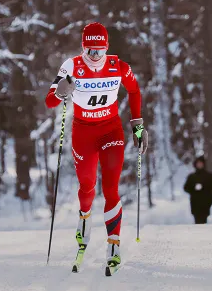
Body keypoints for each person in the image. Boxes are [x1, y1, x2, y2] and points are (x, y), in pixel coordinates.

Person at [45, 22, 148, 273]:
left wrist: (137, 124)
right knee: (87, 185)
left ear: (107, 48)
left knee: (111, 186)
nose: (94, 57)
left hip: (110, 130)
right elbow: (49, 101)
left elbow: (134, 91)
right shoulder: (71, 66)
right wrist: (60, 92)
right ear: (83, 47)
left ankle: (113, 244)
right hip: (83, 132)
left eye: (99, 51)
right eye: (90, 51)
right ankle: (84, 218)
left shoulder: (118, 67)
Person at [183, 156, 212, 224]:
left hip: (205, 203)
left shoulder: (209, 176)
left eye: (201, 163)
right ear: (195, 164)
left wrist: (210, 199)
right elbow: (186, 188)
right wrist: (193, 189)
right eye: (198, 163)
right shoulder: (192, 177)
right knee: (197, 222)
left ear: (204, 164)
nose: (199, 165)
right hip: (195, 203)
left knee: (203, 222)